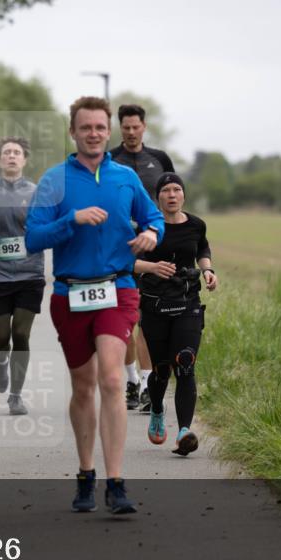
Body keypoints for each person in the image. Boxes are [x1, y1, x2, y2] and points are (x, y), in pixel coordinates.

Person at [26, 96, 164, 514]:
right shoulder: (54, 180)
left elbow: (153, 217)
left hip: (117, 289)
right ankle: (86, 472)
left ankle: (116, 482)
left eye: (100, 127)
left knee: (110, 379)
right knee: (83, 387)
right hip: (70, 293)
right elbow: (33, 238)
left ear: (110, 130)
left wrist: (152, 236)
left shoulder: (125, 178)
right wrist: (73, 220)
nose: (93, 134)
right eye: (85, 127)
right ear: (73, 131)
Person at [134, 173, 216, 455]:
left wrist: (207, 270)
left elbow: (202, 247)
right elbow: (126, 262)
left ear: (183, 195)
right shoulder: (146, 228)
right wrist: (153, 267)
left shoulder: (196, 225)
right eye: (166, 190)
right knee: (161, 370)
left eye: (177, 189)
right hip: (155, 305)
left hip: (188, 303)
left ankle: (183, 432)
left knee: (185, 362)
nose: (171, 194)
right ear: (158, 197)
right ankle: (157, 409)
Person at [109, 104, 176, 413]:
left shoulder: (159, 159)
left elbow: (171, 195)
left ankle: (149, 383)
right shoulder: (110, 159)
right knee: (128, 318)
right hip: (120, 248)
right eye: (126, 128)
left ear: (144, 127)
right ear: (120, 128)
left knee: (147, 320)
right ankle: (132, 380)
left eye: (136, 127)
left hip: (154, 246)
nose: (131, 132)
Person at [0, 137, 45, 415]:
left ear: (24, 159)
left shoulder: (39, 193)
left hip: (30, 274)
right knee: (0, 338)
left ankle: (15, 396)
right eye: (7, 153)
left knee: (21, 334)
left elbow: (49, 228)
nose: (12, 156)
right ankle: (1, 360)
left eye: (17, 152)